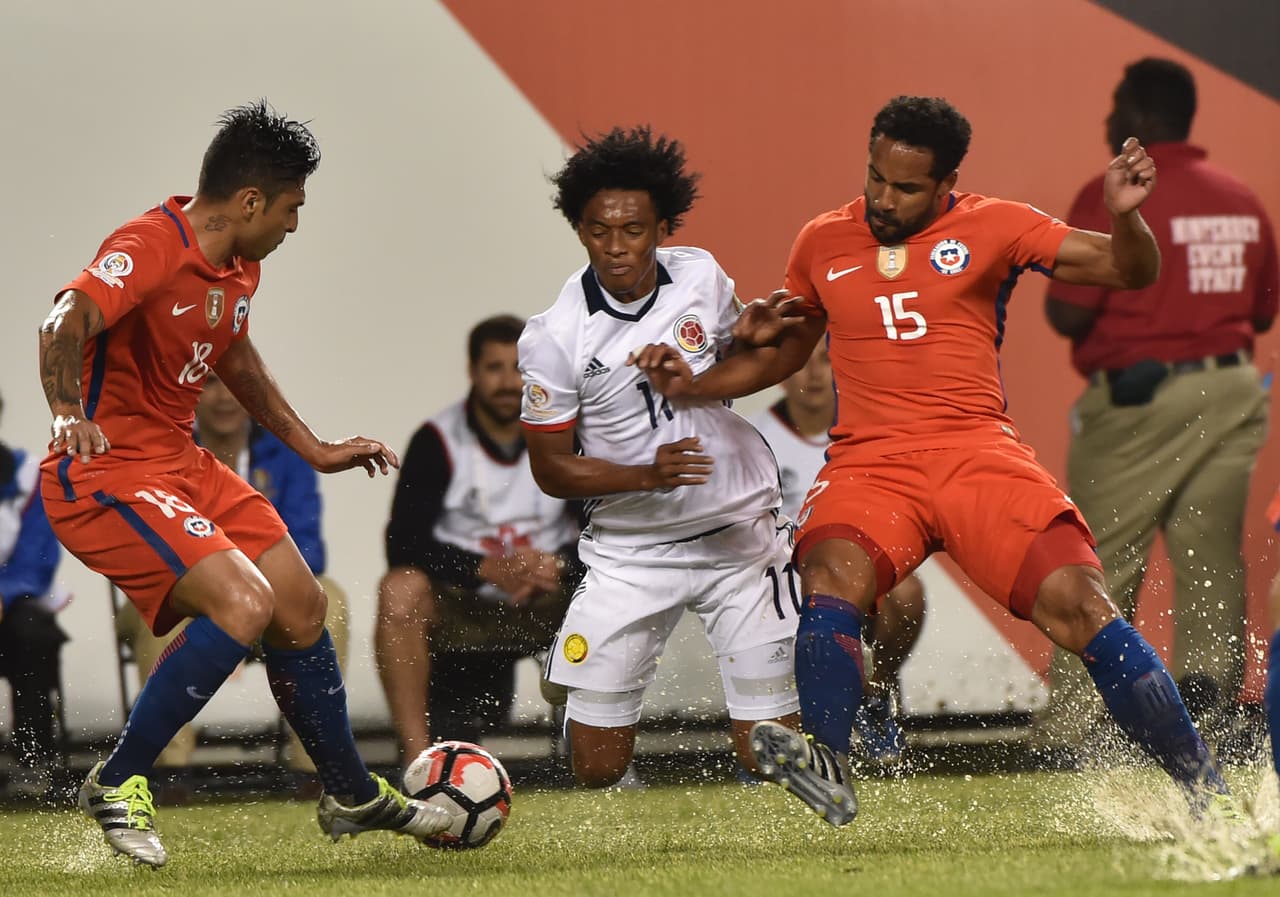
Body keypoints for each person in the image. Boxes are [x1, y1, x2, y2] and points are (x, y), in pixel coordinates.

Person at [631, 95, 1233, 827]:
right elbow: (786, 349)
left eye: (905, 187)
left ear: (947, 183)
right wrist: (693, 385)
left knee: (1084, 609)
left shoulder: (997, 224)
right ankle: (829, 762)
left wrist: (1128, 215)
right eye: (874, 177)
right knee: (829, 581)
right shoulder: (822, 240)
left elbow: (1126, 270)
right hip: (870, 463)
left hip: (975, 452)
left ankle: (1205, 788)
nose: (883, 198)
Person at [35, 101, 450, 867]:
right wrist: (66, 413)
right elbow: (63, 320)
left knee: (302, 604)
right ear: (251, 201)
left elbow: (236, 359)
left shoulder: (237, 266)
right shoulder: (150, 245)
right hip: (104, 469)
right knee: (244, 600)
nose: (295, 224)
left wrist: (313, 446)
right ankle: (120, 776)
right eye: (292, 207)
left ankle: (351, 791)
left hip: (181, 463)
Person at [518, 126, 803, 789]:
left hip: (736, 537)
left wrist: (744, 339)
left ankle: (830, 724)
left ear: (663, 226)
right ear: (579, 229)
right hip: (631, 551)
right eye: (599, 230)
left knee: (770, 754)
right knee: (596, 767)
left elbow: (729, 359)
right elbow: (551, 469)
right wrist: (648, 474)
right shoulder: (554, 338)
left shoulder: (700, 275)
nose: (616, 247)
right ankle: (584, 695)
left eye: (634, 230)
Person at [1041, 58, 1277, 754]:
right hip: (1231, 390)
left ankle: (1077, 727)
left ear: (1142, 116)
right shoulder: (1240, 198)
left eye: (1118, 104)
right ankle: (1207, 700)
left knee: (1099, 558)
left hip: (1137, 403)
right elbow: (1263, 309)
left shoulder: (1110, 194)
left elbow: (1066, 311)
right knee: (1210, 555)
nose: (1109, 118)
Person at [116, 370, 352, 801]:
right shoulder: (161, 451)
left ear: (252, 394)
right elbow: (146, 549)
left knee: (330, 599)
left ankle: (316, 771)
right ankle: (170, 773)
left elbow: (309, 551)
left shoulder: (285, 455)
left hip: (272, 597)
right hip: (179, 593)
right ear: (187, 391)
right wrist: (225, 598)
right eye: (208, 383)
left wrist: (244, 599)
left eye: (231, 384)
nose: (223, 397)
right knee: (176, 613)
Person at [375, 314, 581, 767]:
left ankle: (604, 757)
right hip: (460, 602)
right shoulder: (437, 440)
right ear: (472, 372)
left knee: (619, 588)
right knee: (399, 590)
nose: (510, 382)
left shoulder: (567, 434)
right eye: (495, 368)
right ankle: (418, 765)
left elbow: (608, 531)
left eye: (519, 368)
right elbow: (403, 543)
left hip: (548, 601)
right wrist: (482, 567)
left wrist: (559, 564)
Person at [749, 342, 925, 765]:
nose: (812, 375)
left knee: (907, 595)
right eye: (801, 363)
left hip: (856, 565)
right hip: (780, 571)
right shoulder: (756, 438)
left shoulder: (869, 428)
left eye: (824, 360)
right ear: (782, 370)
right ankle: (769, 733)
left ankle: (875, 696)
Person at [0, 388, 69, 802]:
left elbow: (37, 557)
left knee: (33, 633)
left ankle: (33, 759)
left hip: (11, 606)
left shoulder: (29, 477)